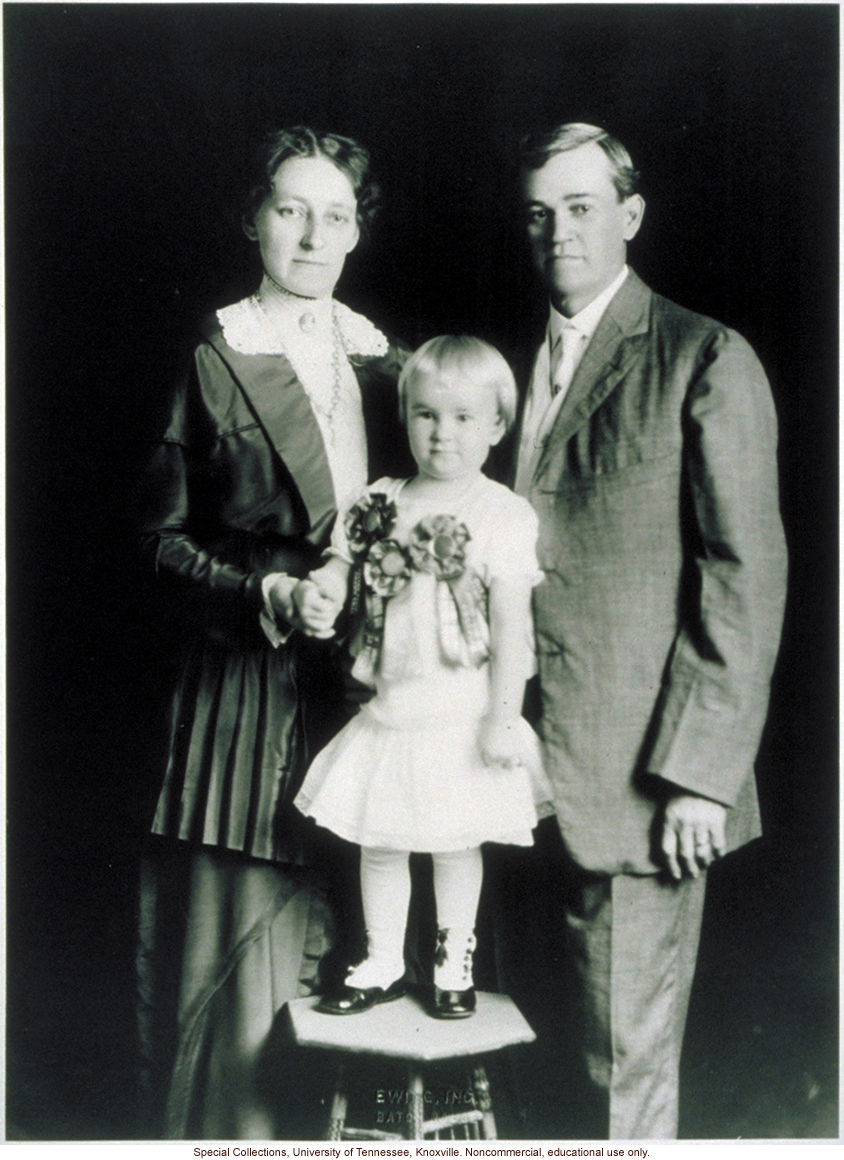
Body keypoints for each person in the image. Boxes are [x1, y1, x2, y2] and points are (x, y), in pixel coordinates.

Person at [501, 123, 788, 1138]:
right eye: (540, 213)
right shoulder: (506, 362)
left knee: (620, 1078)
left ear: (629, 214)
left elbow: (743, 573)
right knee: (521, 1068)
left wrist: (702, 772)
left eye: (581, 208)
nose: (559, 232)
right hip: (510, 774)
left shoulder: (704, 354)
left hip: (640, 786)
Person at [135, 126, 412, 1138]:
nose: (311, 233)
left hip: (369, 691)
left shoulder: (387, 360)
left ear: (355, 230)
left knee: (371, 954)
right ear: (254, 216)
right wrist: (268, 596)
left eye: (334, 214)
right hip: (242, 701)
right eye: (290, 208)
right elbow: (152, 541)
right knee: (243, 982)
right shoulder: (214, 350)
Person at [293, 336, 551, 1019]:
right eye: (427, 415)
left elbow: (512, 626)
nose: (443, 434)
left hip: (461, 714)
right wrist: (326, 584)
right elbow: (342, 564)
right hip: (391, 709)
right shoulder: (380, 500)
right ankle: (381, 958)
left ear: (497, 425)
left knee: (455, 843)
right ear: (405, 417)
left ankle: (451, 958)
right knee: (383, 839)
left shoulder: (502, 515)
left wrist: (504, 714)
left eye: (465, 418)